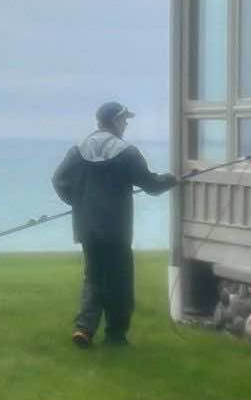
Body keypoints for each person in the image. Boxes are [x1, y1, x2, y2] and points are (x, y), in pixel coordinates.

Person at [50, 102, 176, 348]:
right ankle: (116, 335)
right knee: (120, 279)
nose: (126, 124)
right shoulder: (127, 152)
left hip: (87, 227)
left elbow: (59, 180)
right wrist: (172, 180)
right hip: (116, 228)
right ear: (116, 122)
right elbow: (150, 184)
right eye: (124, 120)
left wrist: (78, 202)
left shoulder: (79, 149)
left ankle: (84, 328)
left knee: (94, 276)